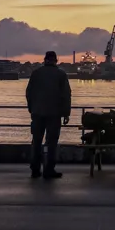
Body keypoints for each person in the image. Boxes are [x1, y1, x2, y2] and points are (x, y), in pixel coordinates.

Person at [25, 50, 71, 179]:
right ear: (56, 60)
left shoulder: (36, 74)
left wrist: (32, 108)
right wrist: (66, 113)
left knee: (36, 141)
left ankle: (35, 169)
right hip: (54, 114)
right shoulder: (61, 75)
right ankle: (49, 169)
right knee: (51, 142)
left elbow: (29, 92)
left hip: (37, 113)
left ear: (44, 60)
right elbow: (66, 95)